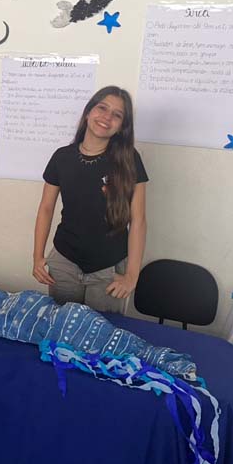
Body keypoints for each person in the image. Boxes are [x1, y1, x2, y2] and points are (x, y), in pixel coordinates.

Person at [32, 86, 148, 313]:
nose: (107, 117)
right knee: (63, 326)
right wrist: (37, 257)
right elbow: (46, 208)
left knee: (101, 331)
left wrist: (132, 276)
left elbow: (139, 221)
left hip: (109, 270)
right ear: (88, 112)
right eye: (102, 108)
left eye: (117, 115)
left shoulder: (129, 159)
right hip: (64, 262)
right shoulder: (62, 157)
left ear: (122, 127)